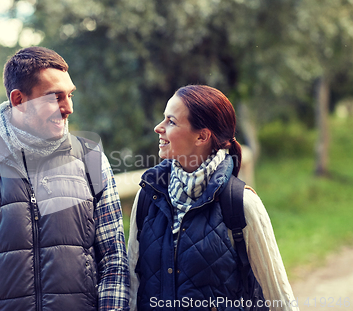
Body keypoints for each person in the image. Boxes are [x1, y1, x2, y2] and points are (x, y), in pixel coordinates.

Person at [0, 47, 130, 311]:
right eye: (54, 97)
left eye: (70, 95)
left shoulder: (92, 160)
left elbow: (114, 263)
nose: (68, 108)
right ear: (18, 100)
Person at [127, 85, 299, 311]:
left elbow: (279, 297)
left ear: (202, 136)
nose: (158, 128)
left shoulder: (242, 204)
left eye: (171, 121)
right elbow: (131, 283)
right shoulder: (148, 196)